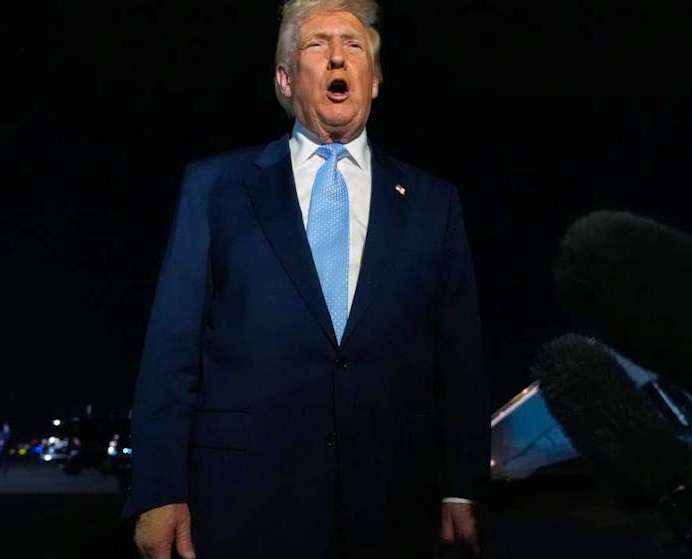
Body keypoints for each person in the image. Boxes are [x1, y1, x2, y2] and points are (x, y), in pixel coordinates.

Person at [123, 1, 490, 557]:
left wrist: (462, 487)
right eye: (317, 45)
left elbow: (459, 357)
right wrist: (157, 490)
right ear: (286, 78)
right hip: (243, 501)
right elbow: (172, 348)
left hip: (395, 503)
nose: (338, 56)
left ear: (374, 82)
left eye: (354, 45)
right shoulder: (215, 188)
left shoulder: (433, 204)